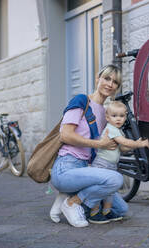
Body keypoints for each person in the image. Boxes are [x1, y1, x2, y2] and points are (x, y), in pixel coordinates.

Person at [49, 64, 128, 228]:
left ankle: (69, 195)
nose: (109, 84)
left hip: (86, 169)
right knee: (116, 180)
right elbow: (65, 135)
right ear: (98, 78)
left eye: (115, 82)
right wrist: (99, 143)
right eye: (106, 78)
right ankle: (72, 203)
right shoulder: (81, 101)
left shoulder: (106, 113)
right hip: (67, 167)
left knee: (121, 209)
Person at [88, 101, 149, 223]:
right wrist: (139, 143)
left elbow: (122, 148)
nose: (118, 119)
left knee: (110, 190)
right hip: (102, 164)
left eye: (121, 116)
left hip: (111, 165)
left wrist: (135, 146)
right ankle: (94, 213)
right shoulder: (111, 129)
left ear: (125, 117)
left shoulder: (117, 130)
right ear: (107, 117)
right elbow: (125, 142)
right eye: (114, 116)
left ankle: (107, 211)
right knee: (100, 189)